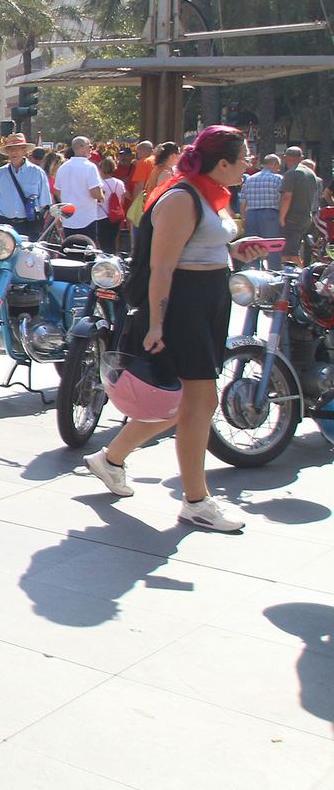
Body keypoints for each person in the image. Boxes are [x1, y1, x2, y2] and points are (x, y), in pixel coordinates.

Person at [83, 127, 267, 532]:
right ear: (222, 163)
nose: (248, 163)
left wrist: (235, 249)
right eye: (244, 157)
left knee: (186, 402)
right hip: (184, 304)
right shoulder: (182, 196)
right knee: (199, 402)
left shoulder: (205, 192)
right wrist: (157, 323)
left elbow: (197, 246)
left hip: (205, 299)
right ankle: (196, 500)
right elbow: (163, 267)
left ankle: (111, 459)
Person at [0, 132, 50, 241]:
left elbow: (44, 203)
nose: (14, 152)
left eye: (18, 148)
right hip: (4, 224)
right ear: (7, 152)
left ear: (24, 151)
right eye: (10, 149)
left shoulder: (37, 173)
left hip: (28, 225)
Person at [240, 154, 284, 269]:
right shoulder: (278, 179)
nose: (278, 169)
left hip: (251, 214)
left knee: (252, 247)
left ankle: (252, 273)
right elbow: (282, 199)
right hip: (270, 214)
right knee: (273, 246)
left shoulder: (249, 179)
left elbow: (243, 201)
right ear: (274, 164)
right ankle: (274, 273)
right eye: (278, 166)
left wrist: (244, 218)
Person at [55, 136, 104, 237]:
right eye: (89, 147)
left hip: (68, 218)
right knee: (87, 249)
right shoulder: (90, 167)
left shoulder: (63, 167)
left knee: (69, 249)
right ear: (82, 147)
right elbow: (95, 193)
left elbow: (57, 191)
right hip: (87, 218)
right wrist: (102, 197)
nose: (91, 149)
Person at [280, 146, 320, 265]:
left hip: (292, 218)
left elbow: (287, 197)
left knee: (290, 254)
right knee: (290, 252)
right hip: (305, 217)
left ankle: (302, 277)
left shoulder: (291, 173)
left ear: (286, 158)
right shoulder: (310, 173)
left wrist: (282, 218)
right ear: (301, 157)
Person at [96, 157, 128, 253]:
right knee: (113, 241)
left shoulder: (99, 184)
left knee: (103, 244)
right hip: (116, 216)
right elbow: (121, 201)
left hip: (101, 216)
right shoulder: (120, 183)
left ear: (101, 169)